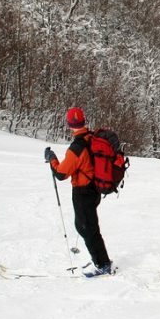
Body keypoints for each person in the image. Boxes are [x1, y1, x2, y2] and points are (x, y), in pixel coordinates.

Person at [44, 107, 115, 277]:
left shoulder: (77, 147)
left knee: (87, 228)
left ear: (70, 124)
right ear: (83, 121)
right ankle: (101, 260)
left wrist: (51, 158)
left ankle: (102, 264)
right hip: (94, 189)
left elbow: (61, 173)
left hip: (82, 191)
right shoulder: (91, 138)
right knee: (87, 226)